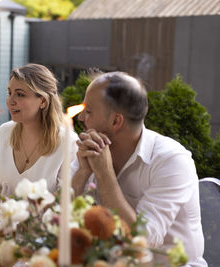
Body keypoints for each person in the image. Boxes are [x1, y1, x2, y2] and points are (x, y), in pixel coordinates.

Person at [72, 71, 207, 266]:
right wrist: (82, 174)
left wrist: (105, 175)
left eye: (89, 111)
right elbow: (54, 221)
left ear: (116, 121)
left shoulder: (172, 160)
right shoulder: (90, 149)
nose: (81, 117)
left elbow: (141, 241)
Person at [0, 63, 78, 199]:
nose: (10, 101)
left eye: (20, 95)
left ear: (43, 101)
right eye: (10, 93)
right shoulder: (4, 132)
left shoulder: (68, 142)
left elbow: (65, 202)